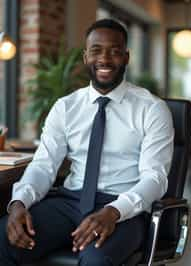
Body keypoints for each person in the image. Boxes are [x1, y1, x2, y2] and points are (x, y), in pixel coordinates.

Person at [0, 19, 174, 266]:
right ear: (85, 57)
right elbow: (43, 166)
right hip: (70, 201)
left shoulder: (152, 109)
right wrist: (18, 203)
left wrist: (113, 212)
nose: (104, 59)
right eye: (96, 51)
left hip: (123, 207)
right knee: (3, 238)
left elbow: (155, 179)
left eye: (114, 51)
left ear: (126, 57)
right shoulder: (65, 107)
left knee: (96, 259)